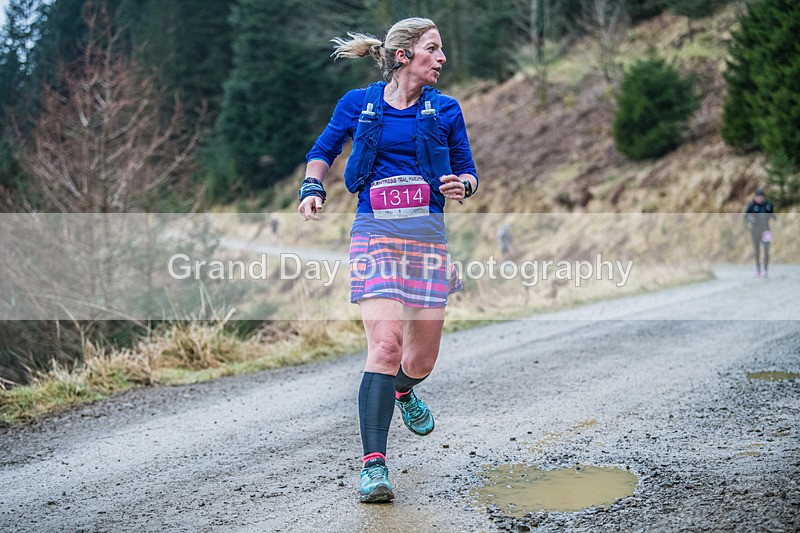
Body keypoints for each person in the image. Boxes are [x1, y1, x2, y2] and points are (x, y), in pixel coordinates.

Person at [297, 17, 478, 503]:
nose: (442, 58)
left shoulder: (445, 109)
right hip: (374, 236)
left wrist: (464, 185)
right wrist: (313, 185)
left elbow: (467, 168)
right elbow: (323, 150)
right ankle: (373, 467)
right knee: (385, 347)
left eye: (441, 50)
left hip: (426, 242)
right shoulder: (359, 104)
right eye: (433, 49)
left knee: (419, 360)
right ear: (404, 56)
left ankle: (403, 391)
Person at [744, 187, 776, 278]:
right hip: (755, 231)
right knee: (757, 250)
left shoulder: (768, 205)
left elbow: (772, 213)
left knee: (766, 249)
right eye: (758, 197)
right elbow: (745, 217)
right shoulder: (752, 206)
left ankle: (765, 269)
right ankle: (758, 268)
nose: (760, 199)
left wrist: (773, 216)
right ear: (755, 197)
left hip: (766, 230)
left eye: (762, 197)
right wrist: (751, 219)